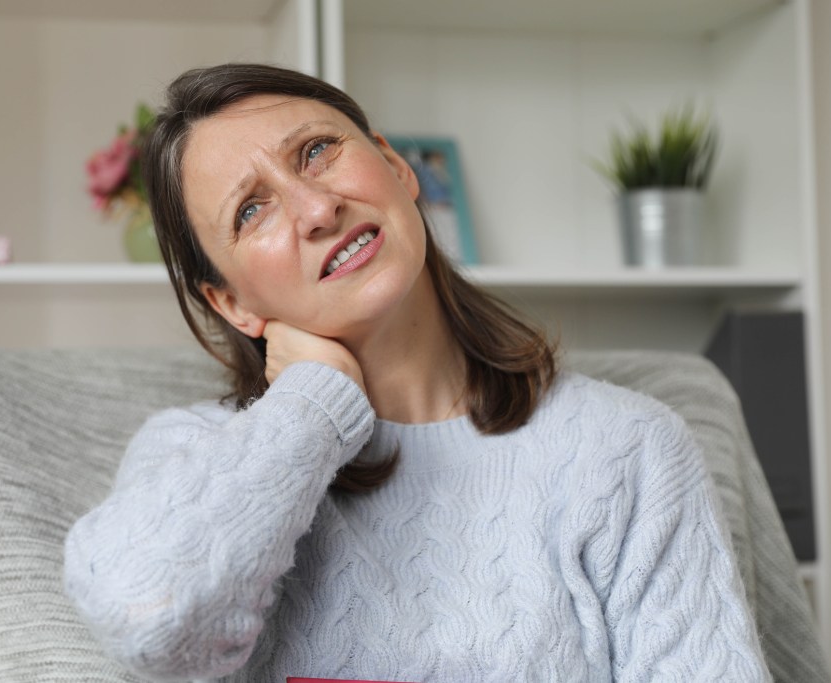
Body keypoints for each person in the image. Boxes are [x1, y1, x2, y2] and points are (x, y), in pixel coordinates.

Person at [63, 63, 770, 681]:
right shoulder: (191, 455)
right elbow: (146, 621)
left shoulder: (626, 448)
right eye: (252, 210)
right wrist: (312, 405)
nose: (317, 208)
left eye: (317, 151)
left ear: (396, 169)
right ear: (232, 303)